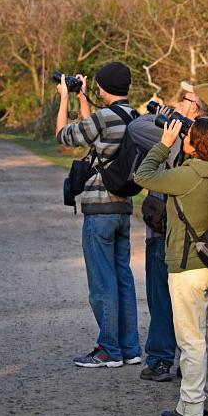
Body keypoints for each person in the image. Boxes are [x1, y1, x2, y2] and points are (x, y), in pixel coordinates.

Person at [134, 117, 208, 416]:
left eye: (188, 135)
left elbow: (143, 176)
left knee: (191, 340)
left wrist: (163, 145)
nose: (184, 138)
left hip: (188, 268)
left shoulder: (187, 175)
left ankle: (191, 407)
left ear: (195, 145)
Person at [128, 81, 208, 383]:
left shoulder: (179, 136)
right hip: (206, 237)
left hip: (167, 233)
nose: (180, 101)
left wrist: (166, 117)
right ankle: (192, 363)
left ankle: (160, 358)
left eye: (185, 98)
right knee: (200, 307)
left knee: (162, 297)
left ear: (195, 107)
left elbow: (135, 128)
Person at [55, 61, 142, 368]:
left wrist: (64, 97)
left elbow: (64, 135)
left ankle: (108, 350)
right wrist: (83, 98)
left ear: (104, 87)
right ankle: (130, 348)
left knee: (102, 282)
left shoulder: (104, 118)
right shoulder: (134, 117)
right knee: (122, 279)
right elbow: (95, 136)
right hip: (123, 207)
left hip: (99, 209)